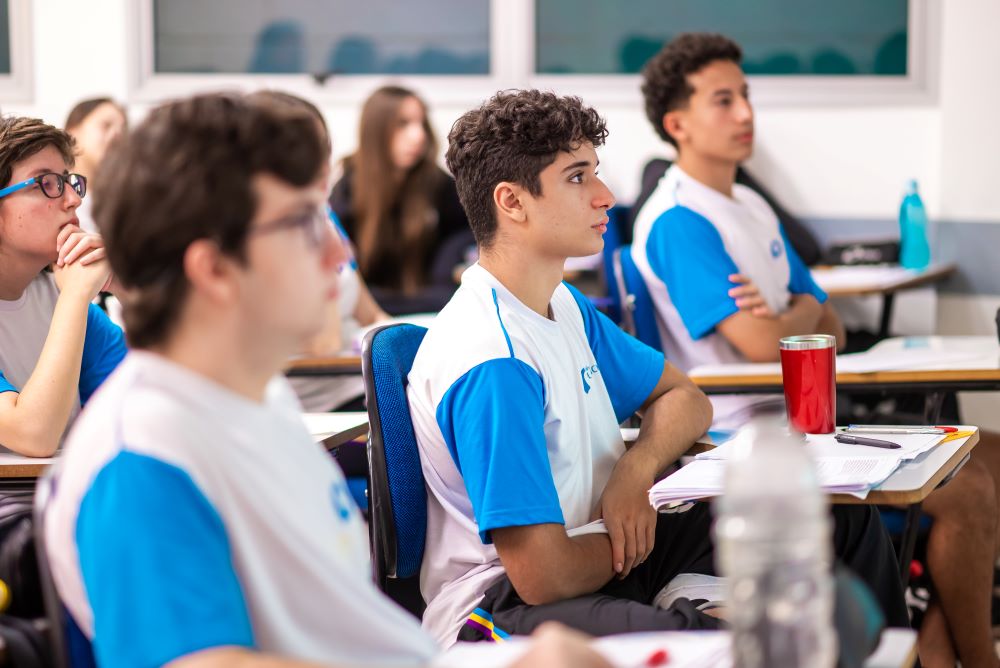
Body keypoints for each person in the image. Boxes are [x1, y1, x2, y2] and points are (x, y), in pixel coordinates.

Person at [44, 91, 610, 668]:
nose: (338, 250)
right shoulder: (142, 452)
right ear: (214, 268)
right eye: (301, 224)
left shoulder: (259, 403)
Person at [407, 88, 908, 648]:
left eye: (595, 173)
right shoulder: (494, 359)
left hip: (598, 547)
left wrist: (636, 470)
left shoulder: (562, 303)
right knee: (715, 638)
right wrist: (633, 535)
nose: (605, 196)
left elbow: (684, 396)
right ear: (513, 202)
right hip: (504, 604)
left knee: (839, 522)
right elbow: (543, 576)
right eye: (578, 178)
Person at [634, 33, 999, 667]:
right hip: (744, 436)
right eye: (723, 101)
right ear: (678, 124)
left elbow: (825, 315)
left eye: (745, 95)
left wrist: (789, 317)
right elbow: (756, 342)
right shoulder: (678, 218)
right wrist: (794, 320)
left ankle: (938, 643)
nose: (746, 113)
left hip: (810, 419)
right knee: (967, 488)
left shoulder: (747, 203)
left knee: (990, 450)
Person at [247, 89, 389, 413]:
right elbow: (321, 345)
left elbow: (373, 314)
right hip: (325, 404)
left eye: (322, 147)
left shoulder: (322, 215)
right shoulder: (270, 232)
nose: (324, 164)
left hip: (359, 385)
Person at [0, 115, 126, 457]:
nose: (74, 199)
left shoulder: (58, 299)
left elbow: (160, 402)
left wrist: (132, 292)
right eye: (47, 183)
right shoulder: (69, 297)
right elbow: (33, 435)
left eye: (70, 182)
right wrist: (75, 293)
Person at [329, 85, 472, 315]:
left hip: (428, 304)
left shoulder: (437, 183)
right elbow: (346, 285)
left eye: (421, 123)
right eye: (403, 124)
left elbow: (465, 235)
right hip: (369, 307)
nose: (419, 136)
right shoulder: (348, 188)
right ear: (377, 131)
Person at [64, 97, 128, 234]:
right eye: (106, 125)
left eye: (123, 129)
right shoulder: (54, 196)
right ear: (72, 132)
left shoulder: (128, 200)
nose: (117, 135)